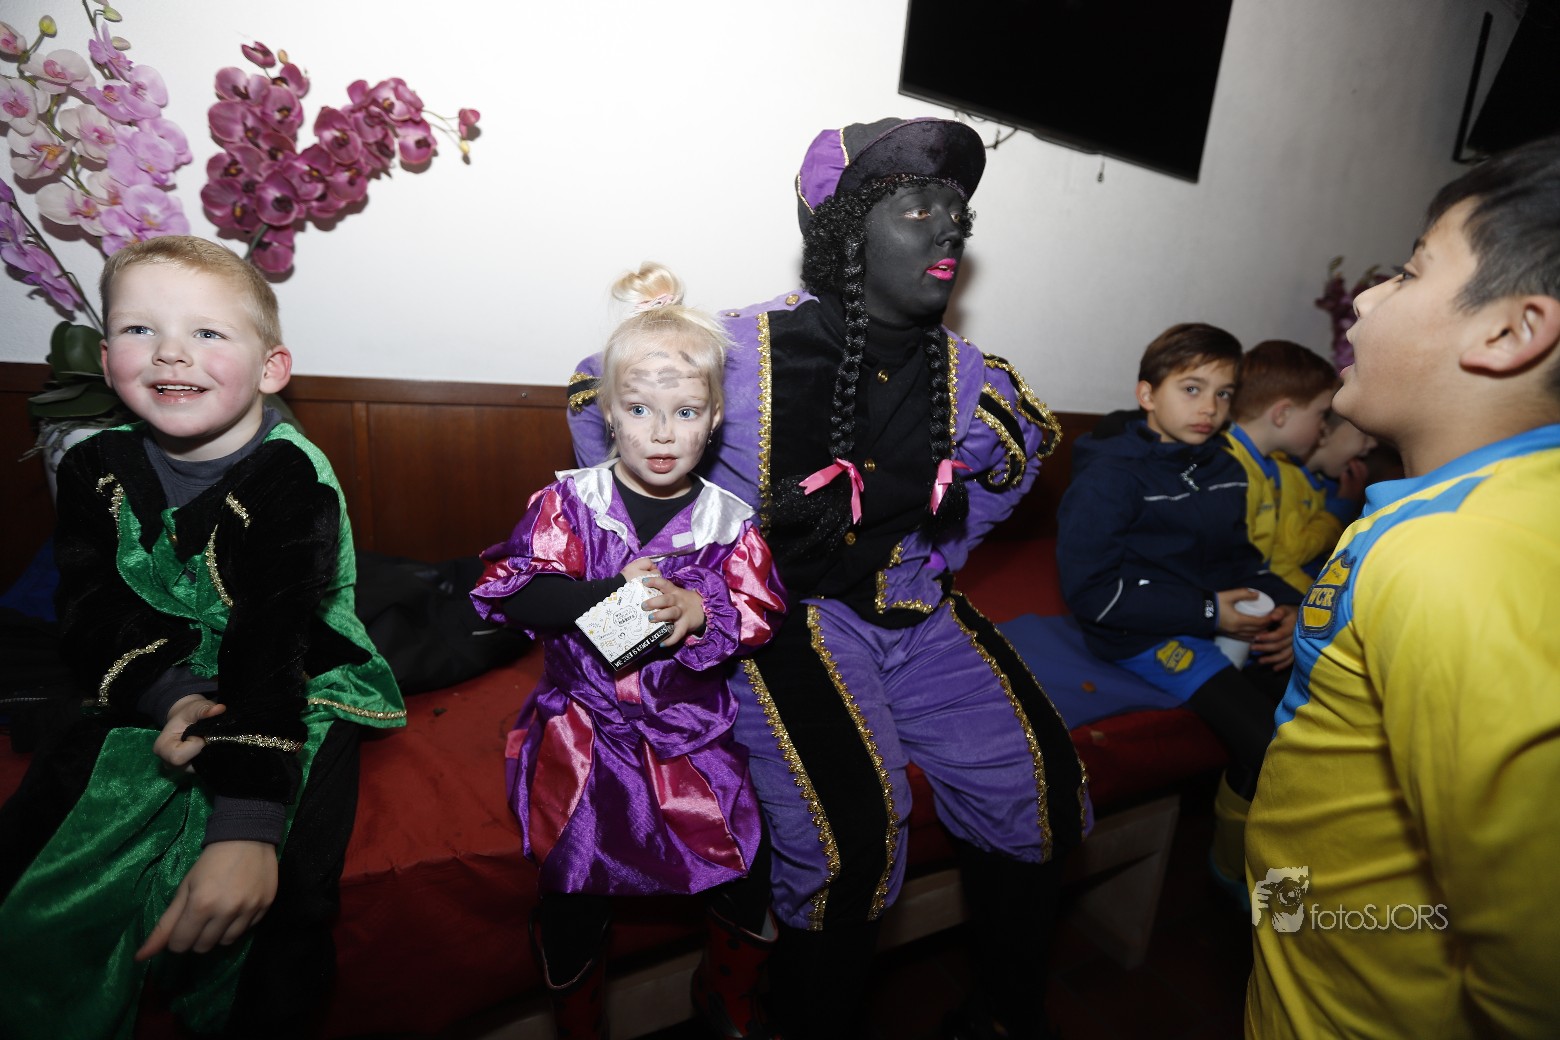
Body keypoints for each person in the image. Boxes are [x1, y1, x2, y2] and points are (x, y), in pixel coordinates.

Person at [569, 118, 1090, 1040]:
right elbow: (596, 397)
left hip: (913, 608)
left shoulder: (967, 375)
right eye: (917, 207)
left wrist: (939, 552)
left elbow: (1018, 454)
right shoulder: (739, 352)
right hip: (785, 616)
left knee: (1042, 784)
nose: (949, 228)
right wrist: (663, 555)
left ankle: (1002, 1018)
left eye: (958, 213)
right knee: (851, 831)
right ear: (845, 229)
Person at [0, 236, 406, 1039]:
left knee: (287, 906)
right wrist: (169, 694)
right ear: (106, 357)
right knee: (43, 845)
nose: (170, 352)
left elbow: (274, 636)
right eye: (139, 329)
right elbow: (92, 609)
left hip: (295, 673)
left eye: (208, 332)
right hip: (160, 666)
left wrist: (246, 825)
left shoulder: (291, 477)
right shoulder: (93, 468)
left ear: (271, 368)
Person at [1245, 135, 1560, 1038]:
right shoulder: (1482, 508)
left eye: (1412, 272)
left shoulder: (1455, 560)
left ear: (1509, 333)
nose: (1367, 296)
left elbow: (1533, 972)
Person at [471, 263, 787, 1040]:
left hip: (688, 736)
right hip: (582, 735)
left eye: (685, 411)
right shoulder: (569, 505)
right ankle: (578, 1021)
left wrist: (699, 607)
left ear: (714, 418)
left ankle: (727, 1000)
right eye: (641, 408)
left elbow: (762, 611)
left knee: (747, 865)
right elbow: (512, 592)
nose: (663, 432)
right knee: (572, 883)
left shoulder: (730, 523)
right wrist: (606, 594)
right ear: (610, 411)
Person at [1056, 323, 1300, 900]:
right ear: (1147, 394)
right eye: (1192, 389)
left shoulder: (1223, 469)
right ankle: (1232, 864)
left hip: (1209, 616)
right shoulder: (1109, 477)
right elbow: (1092, 594)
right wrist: (1210, 612)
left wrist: (1291, 607)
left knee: (1309, 710)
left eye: (1223, 393)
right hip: (1137, 634)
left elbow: (1239, 559)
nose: (1210, 408)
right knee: (1268, 743)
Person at [1222, 339, 1340, 594]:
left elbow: (1271, 558)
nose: (1323, 427)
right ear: (1282, 414)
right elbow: (1226, 565)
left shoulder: (1267, 466)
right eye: (1321, 413)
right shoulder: (1232, 470)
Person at [1281, 412, 1375, 580]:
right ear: (1324, 431)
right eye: (1364, 434)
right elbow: (1291, 553)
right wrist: (1338, 512)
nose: (1373, 444)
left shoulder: (1319, 484)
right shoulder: (1284, 480)